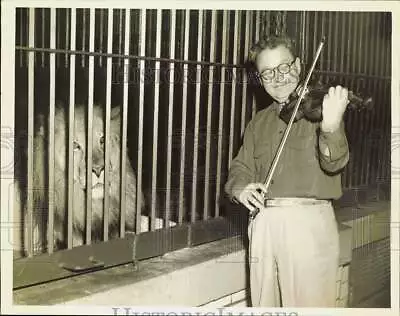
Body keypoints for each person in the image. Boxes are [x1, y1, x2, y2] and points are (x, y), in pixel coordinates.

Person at [224, 35, 350, 307]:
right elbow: (240, 167)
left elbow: (335, 162)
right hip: (263, 224)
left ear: (299, 65)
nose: (278, 77)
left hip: (308, 224)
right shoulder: (258, 122)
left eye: (284, 67)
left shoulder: (321, 109)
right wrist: (240, 188)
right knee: (263, 305)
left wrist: (331, 126)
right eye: (267, 73)